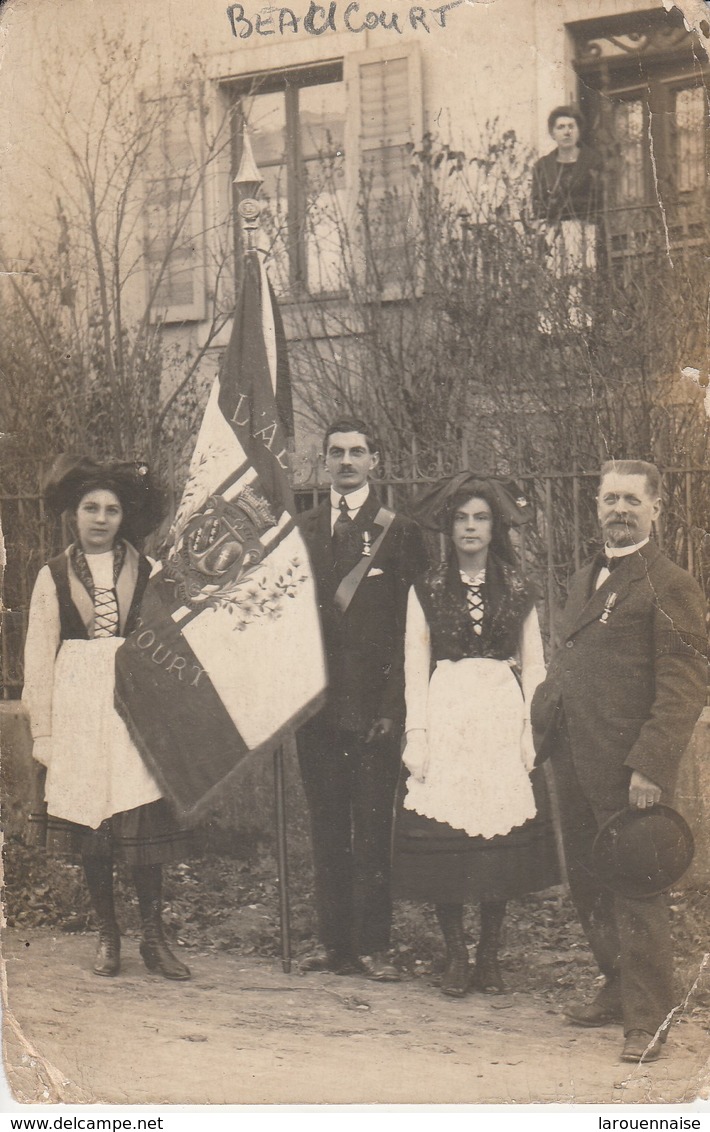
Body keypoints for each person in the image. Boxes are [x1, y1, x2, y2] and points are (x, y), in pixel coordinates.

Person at [531, 460, 708, 1063]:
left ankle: (649, 1018)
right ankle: (615, 986)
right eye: (610, 500)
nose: (619, 510)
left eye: (632, 500)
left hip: (629, 769)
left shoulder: (671, 584)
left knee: (636, 885)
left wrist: (650, 768)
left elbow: (683, 686)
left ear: (656, 508)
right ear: (597, 508)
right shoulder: (586, 577)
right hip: (574, 756)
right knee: (589, 880)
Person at [23, 455, 193, 981]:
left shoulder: (148, 572)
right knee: (95, 826)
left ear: (125, 516)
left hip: (133, 708)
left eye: (112, 509)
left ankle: (154, 937)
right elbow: (37, 658)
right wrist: (45, 731)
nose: (100, 518)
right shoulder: (52, 576)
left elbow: (170, 647)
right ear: (73, 515)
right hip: (78, 707)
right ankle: (108, 933)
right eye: (90, 508)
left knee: (141, 822)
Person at [393, 474, 559, 997]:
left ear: (494, 527)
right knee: (450, 843)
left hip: (498, 717)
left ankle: (490, 954)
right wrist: (416, 733)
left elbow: (534, 664)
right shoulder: (427, 586)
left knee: (497, 841)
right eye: (462, 518)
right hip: (448, 714)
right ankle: (456, 955)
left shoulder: (518, 586)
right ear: (449, 526)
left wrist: (532, 732)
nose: (470, 527)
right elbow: (414, 661)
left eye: (480, 518)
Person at [296, 418, 427, 980]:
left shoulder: (401, 533)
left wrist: (394, 709)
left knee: (373, 832)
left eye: (357, 452)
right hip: (317, 710)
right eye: (336, 452)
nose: (346, 461)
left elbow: (413, 630)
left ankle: (373, 945)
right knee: (326, 829)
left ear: (376, 460)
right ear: (323, 462)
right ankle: (334, 945)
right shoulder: (298, 532)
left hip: (375, 713)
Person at [532, 105, 603, 331]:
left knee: (579, 276)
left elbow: (598, 197)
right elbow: (537, 201)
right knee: (552, 276)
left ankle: (580, 323)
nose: (566, 132)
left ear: (578, 130)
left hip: (584, 226)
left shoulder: (592, 161)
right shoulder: (542, 166)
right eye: (560, 127)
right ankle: (549, 325)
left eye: (571, 126)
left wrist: (565, 207)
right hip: (552, 228)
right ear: (552, 133)